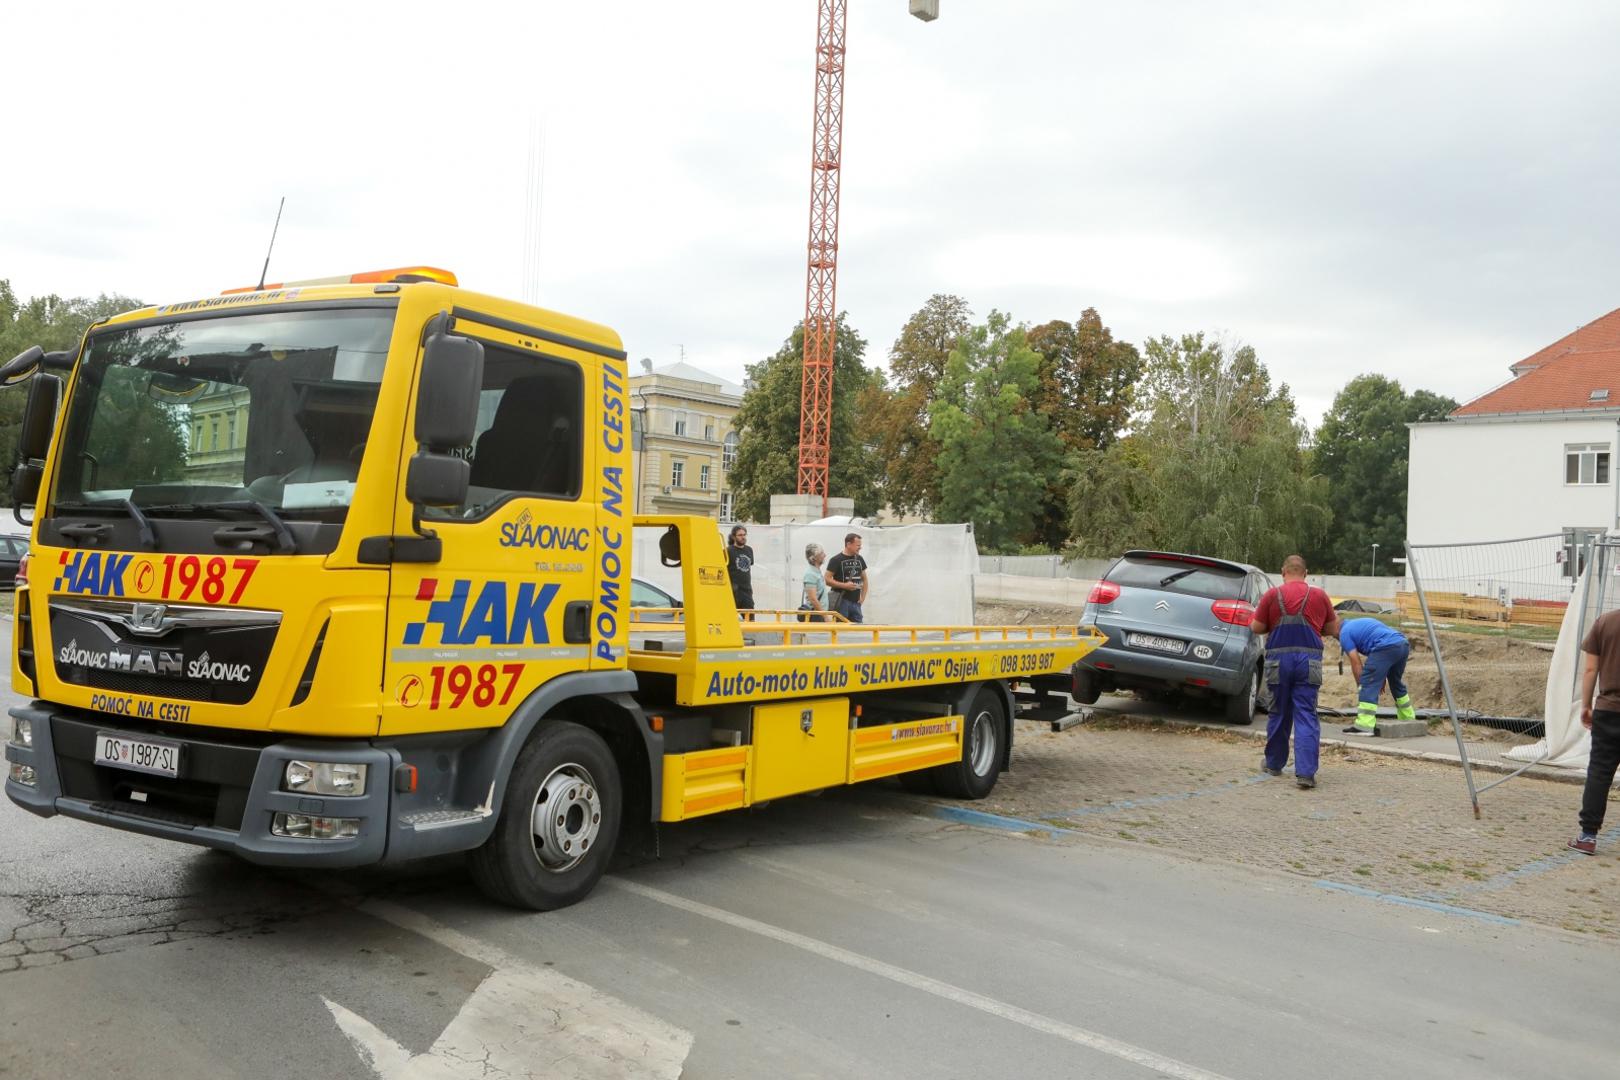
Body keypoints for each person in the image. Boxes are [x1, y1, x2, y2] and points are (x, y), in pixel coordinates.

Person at [1249, 554, 1339, 789]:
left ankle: (1274, 764)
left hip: (1278, 661)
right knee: (1306, 714)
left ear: (1283, 572)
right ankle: (1305, 774)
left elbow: (1256, 627)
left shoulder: (1272, 595)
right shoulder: (1319, 595)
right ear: (1306, 574)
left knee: (1279, 712)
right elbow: (1332, 628)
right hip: (1309, 662)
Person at [1568, 607, 1620, 854]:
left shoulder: (1605, 622)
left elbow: (1590, 670)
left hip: (1609, 710)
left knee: (1599, 772)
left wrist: (1586, 705)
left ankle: (1587, 836)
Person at [1338, 616, 1416, 735]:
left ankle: (1364, 725)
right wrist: (1381, 675)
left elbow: (1356, 662)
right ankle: (1408, 718)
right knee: (1395, 682)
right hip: (1402, 644)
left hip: (1385, 647)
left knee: (1368, 683)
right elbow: (1379, 641)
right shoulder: (1360, 623)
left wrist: (1363, 686)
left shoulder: (1344, 633)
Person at [824, 532, 869, 623]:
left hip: (856, 603)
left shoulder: (860, 559)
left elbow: (864, 579)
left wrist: (862, 597)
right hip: (841, 602)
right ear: (848, 544)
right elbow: (827, 579)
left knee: (858, 631)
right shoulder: (836, 560)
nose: (860, 547)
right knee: (841, 632)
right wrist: (844, 586)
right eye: (858, 545)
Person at [725, 525, 755, 619]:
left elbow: (749, 566)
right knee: (731, 619)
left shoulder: (749, 550)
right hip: (733, 591)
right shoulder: (727, 551)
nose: (743, 537)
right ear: (734, 537)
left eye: (744, 534)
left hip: (747, 590)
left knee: (749, 618)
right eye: (740, 535)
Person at [799, 543, 830, 621]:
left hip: (819, 614)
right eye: (822, 553)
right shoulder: (810, 574)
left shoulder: (816, 572)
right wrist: (825, 616)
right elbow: (813, 599)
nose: (825, 555)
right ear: (814, 557)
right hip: (816, 616)